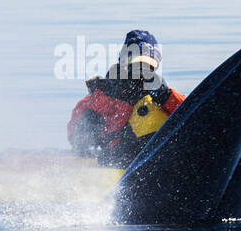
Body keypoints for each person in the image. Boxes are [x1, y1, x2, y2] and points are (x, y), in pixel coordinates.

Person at [68, 29, 185, 166]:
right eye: (135, 63)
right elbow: (75, 134)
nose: (140, 70)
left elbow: (189, 111)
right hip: (117, 160)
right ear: (124, 63)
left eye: (146, 64)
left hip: (159, 156)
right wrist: (87, 126)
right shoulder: (108, 93)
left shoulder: (161, 92)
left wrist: (165, 96)